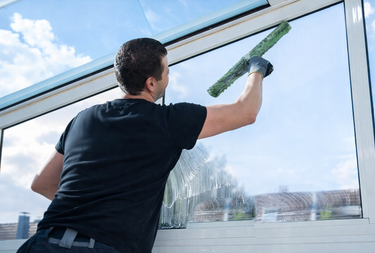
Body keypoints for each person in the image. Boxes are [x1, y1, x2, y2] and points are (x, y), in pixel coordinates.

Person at [17, 38, 273, 253]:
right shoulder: (167, 121)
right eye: (167, 71)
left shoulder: (83, 119)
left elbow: (41, 184)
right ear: (151, 83)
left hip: (42, 243)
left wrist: (88, 206)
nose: (168, 77)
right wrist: (256, 69)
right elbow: (245, 112)